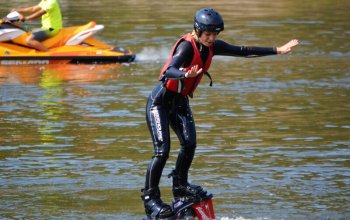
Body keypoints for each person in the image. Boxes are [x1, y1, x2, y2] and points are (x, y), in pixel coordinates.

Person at [141, 8, 299, 219]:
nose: (212, 38)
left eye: (215, 34)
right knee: (162, 151)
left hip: (179, 103)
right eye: (208, 34)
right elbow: (167, 71)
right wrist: (184, 73)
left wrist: (278, 50)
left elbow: (243, 50)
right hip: (160, 102)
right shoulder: (187, 47)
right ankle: (151, 199)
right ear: (197, 30)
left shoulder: (212, 47)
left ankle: (180, 187)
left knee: (189, 144)